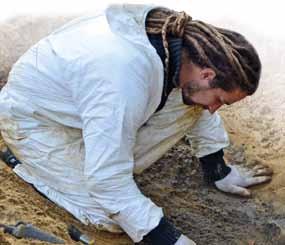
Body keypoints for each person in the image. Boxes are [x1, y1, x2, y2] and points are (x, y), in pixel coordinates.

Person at [0, 4, 273, 245]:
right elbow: (107, 181)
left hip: (82, 108)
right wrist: (170, 239)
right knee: (112, 218)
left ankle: (80, 167)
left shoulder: (178, 47)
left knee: (191, 100)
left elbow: (197, 103)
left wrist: (218, 169)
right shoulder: (121, 82)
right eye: (219, 100)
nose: (214, 109)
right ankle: (27, 168)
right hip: (36, 122)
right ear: (208, 74)